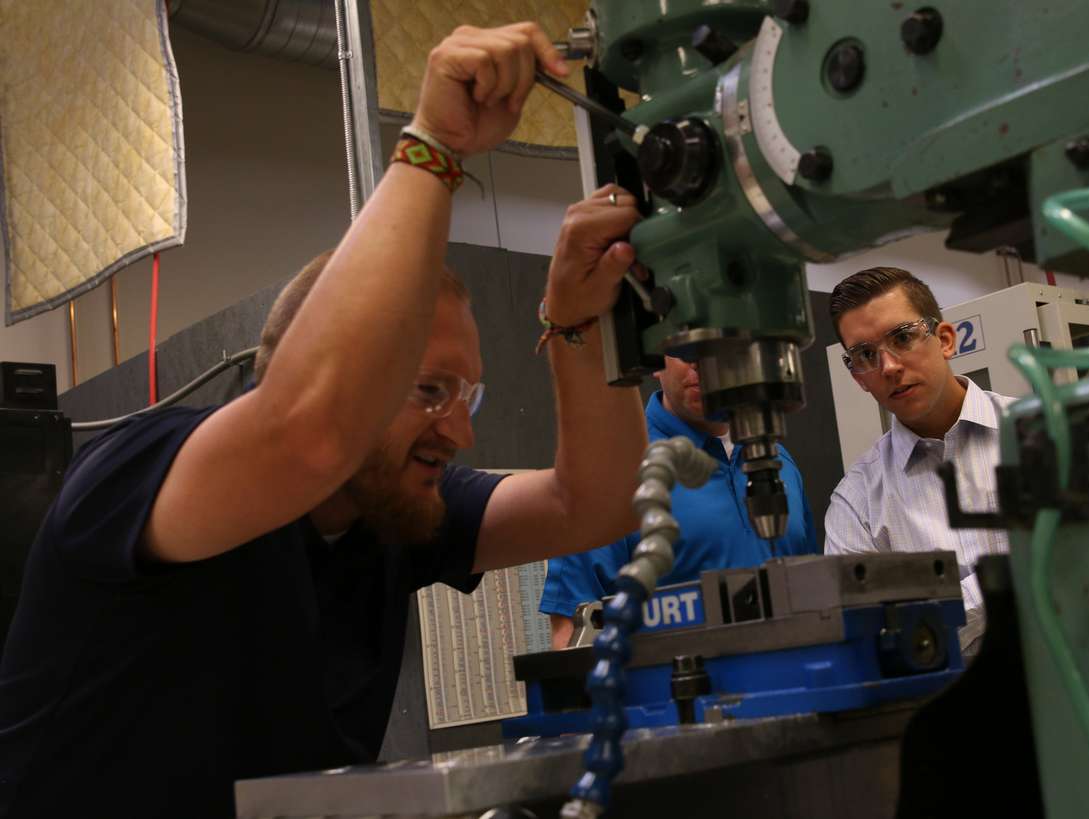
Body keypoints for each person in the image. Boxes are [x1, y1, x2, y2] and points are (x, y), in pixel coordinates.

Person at [0, 24, 649, 819]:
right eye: (430, 388)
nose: (459, 430)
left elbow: (596, 503)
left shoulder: (383, 516)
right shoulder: (138, 473)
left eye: (467, 396)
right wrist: (434, 145)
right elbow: (313, 433)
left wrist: (579, 324)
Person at [541, 355, 819, 648]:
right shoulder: (612, 469)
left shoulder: (779, 463)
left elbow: (813, 596)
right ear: (653, 358)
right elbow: (571, 639)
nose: (699, 360)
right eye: (683, 345)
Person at [822, 266, 1015, 656]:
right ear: (858, 377)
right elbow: (872, 647)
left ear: (944, 339)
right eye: (865, 355)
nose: (889, 367)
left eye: (903, 337)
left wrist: (935, 613)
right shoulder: (856, 504)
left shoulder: (1042, 431)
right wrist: (1011, 577)